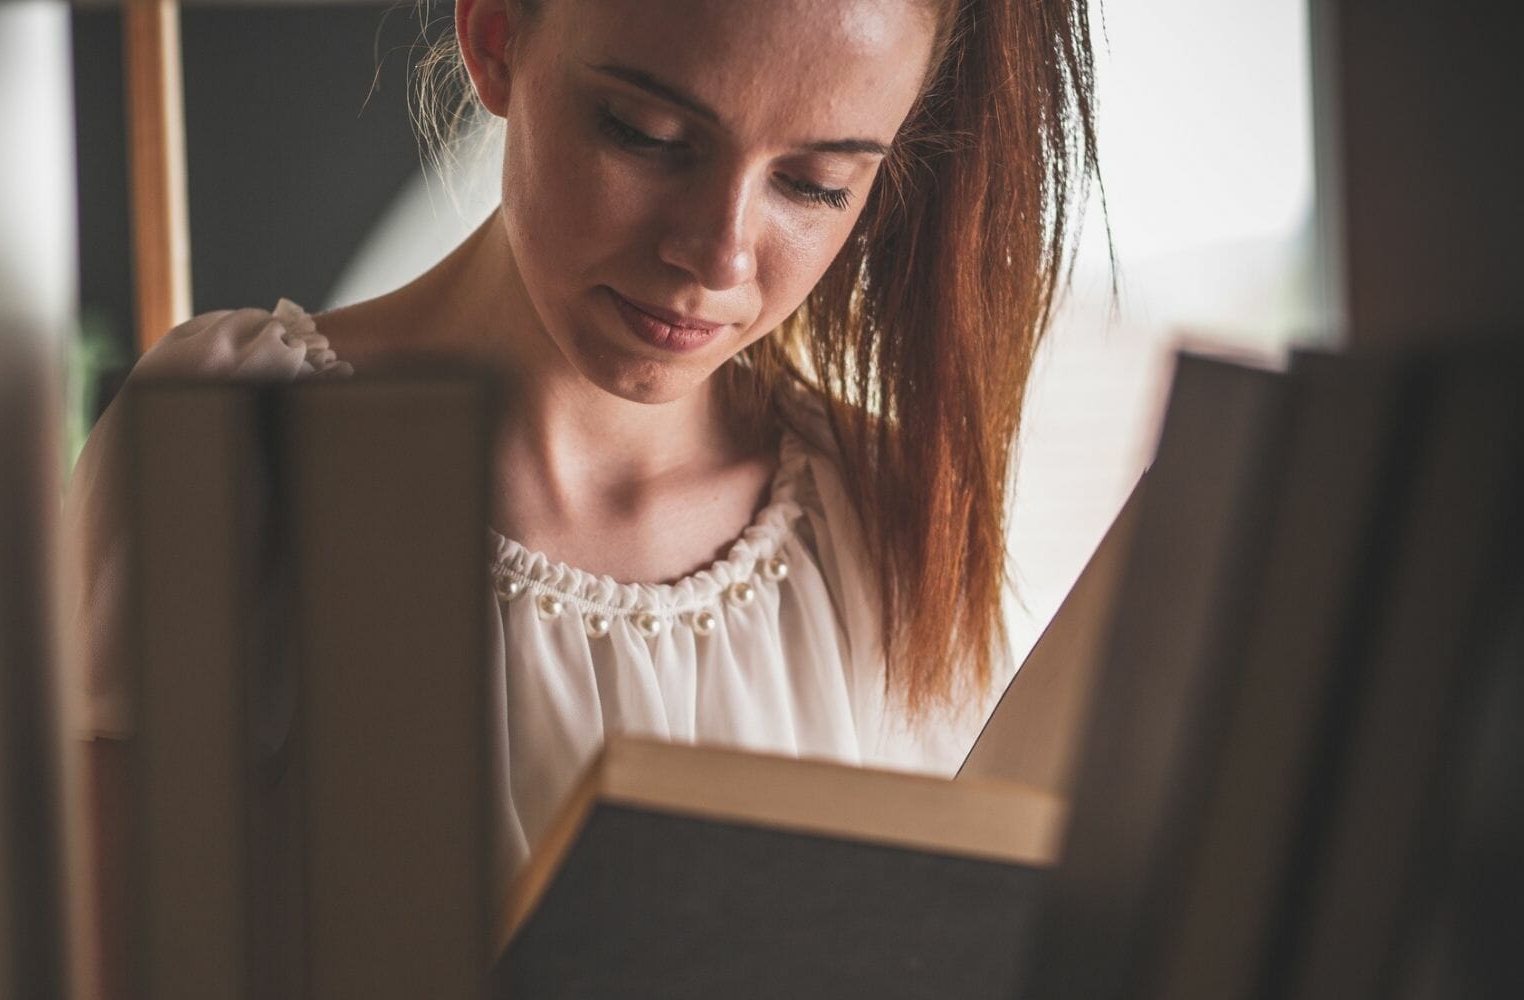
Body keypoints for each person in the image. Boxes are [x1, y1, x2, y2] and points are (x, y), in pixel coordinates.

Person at [65, 0, 1100, 902]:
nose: (717, 254)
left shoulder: (876, 513)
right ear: (495, 38)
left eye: (817, 184)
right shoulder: (236, 449)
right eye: (648, 133)